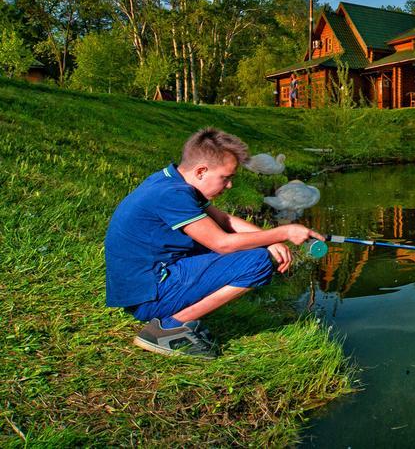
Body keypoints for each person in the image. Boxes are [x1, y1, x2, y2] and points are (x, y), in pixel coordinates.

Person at [104, 127, 324, 359]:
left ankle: (174, 316)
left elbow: (224, 220)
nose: (229, 185)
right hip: (147, 295)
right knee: (258, 262)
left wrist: (268, 240)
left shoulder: (172, 180)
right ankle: (169, 327)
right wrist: (283, 232)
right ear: (201, 171)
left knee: (252, 248)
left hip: (143, 284)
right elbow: (222, 243)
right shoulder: (172, 195)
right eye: (226, 177)